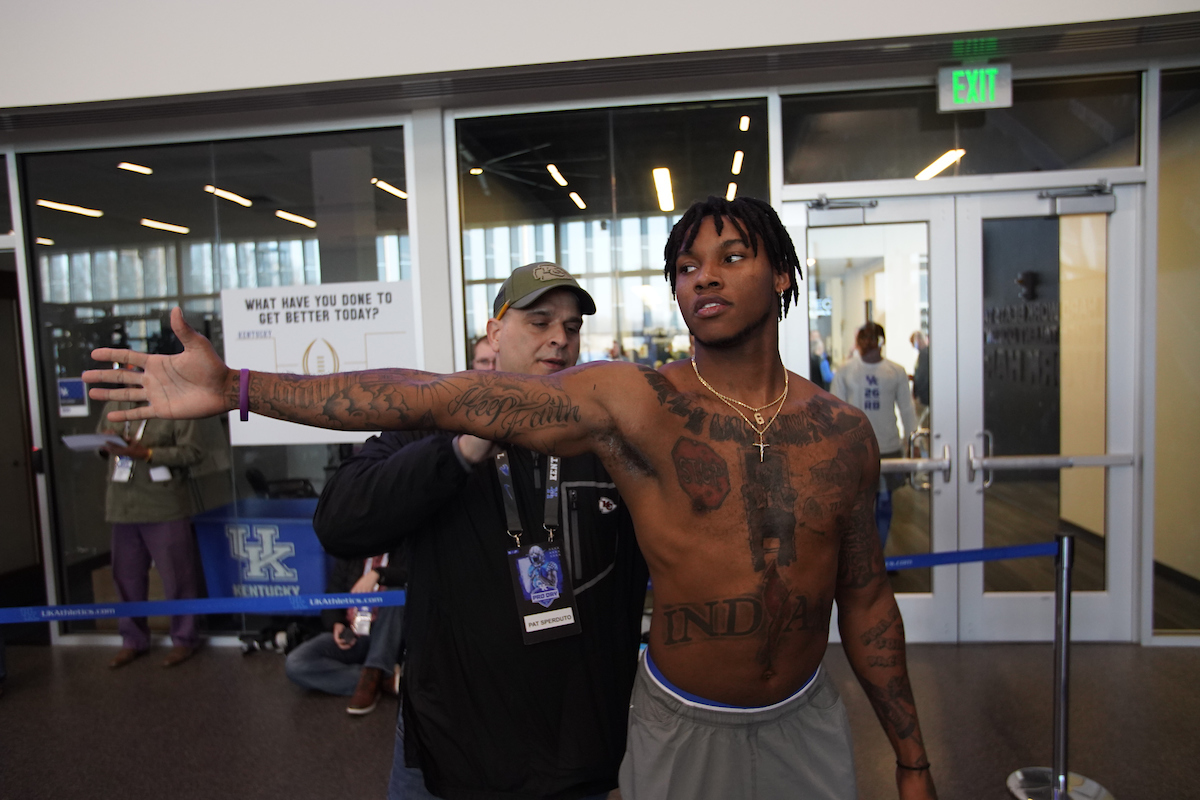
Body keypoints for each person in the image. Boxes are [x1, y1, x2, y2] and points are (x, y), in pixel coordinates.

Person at [85, 196, 937, 800]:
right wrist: (240, 385)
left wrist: (911, 758)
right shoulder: (632, 406)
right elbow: (418, 399)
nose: (703, 278)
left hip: (731, 726)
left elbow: (864, 599)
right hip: (588, 732)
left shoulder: (838, 435)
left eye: (730, 258)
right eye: (685, 267)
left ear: (784, 278)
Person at [313, 263, 648, 799]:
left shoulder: (607, 437)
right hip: (451, 749)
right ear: (495, 333)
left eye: (572, 326)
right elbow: (339, 521)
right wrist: (462, 449)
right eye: (540, 322)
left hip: (575, 752)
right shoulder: (436, 421)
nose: (560, 337)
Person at [97, 399, 225, 668]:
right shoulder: (113, 407)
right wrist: (104, 444)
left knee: (177, 576)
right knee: (126, 577)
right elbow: (101, 445)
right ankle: (132, 640)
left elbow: (193, 452)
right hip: (123, 505)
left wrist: (148, 453)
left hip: (163, 504)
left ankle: (184, 639)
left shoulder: (174, 407)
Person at [830, 323, 919, 549]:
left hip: (887, 446)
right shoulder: (847, 371)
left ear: (881, 341)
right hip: (855, 448)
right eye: (866, 339)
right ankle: (861, 554)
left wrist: (914, 441)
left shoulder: (895, 371)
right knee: (859, 504)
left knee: (884, 502)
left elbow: (907, 409)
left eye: (873, 339)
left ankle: (878, 552)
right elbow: (834, 411)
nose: (870, 344)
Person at [284, 549, 406, 716]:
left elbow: (413, 577)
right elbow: (332, 596)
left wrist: (379, 574)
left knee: (396, 592)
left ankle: (374, 672)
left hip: (388, 637)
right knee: (296, 663)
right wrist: (337, 623)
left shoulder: (405, 550)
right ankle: (380, 680)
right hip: (354, 633)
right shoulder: (350, 555)